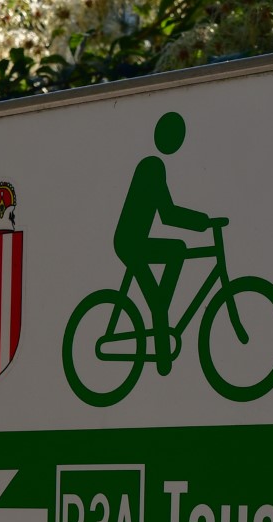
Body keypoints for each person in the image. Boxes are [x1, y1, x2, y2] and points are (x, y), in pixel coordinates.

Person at [113, 112, 214, 367]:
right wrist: (204, 222)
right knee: (176, 251)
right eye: (174, 136)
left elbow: (165, 213)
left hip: (133, 240)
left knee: (176, 250)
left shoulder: (154, 165)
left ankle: (160, 312)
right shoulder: (152, 166)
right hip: (130, 243)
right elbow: (167, 215)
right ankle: (160, 325)